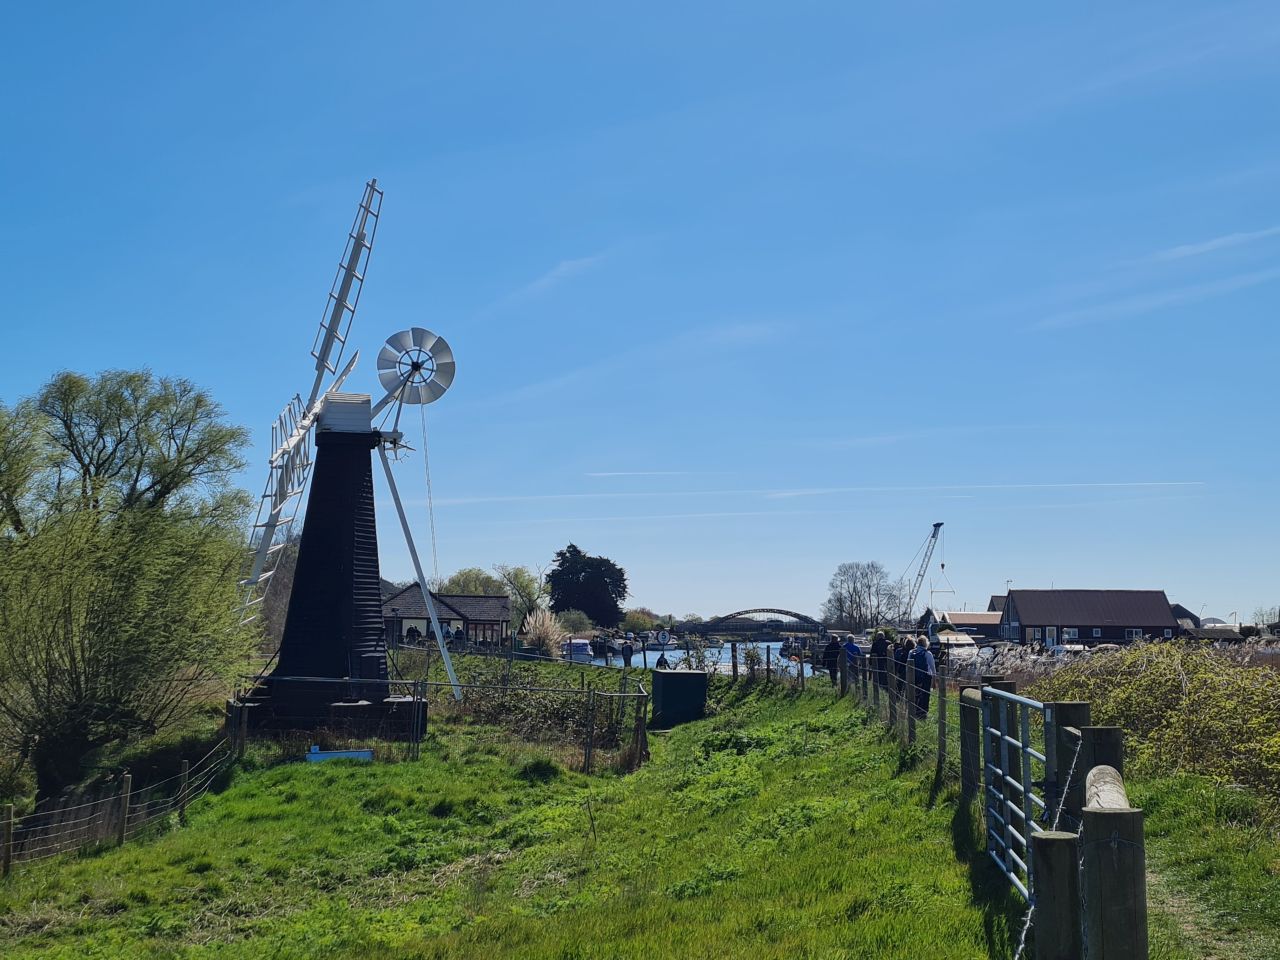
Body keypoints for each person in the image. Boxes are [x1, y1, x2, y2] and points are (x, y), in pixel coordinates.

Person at [910, 635, 936, 717]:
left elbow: (908, 665)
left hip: (913, 677)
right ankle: (923, 713)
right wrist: (934, 681)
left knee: (915, 694)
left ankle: (914, 711)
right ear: (926, 643)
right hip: (925, 677)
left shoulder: (911, 652)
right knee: (925, 695)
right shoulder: (928, 654)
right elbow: (933, 668)